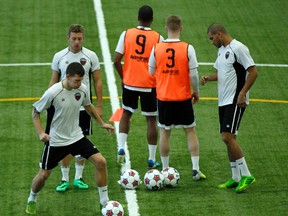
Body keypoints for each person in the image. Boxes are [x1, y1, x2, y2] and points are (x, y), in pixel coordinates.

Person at [25, 62, 114, 215]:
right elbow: (35, 112)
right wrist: (41, 133)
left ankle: (104, 202)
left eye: (81, 80)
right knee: (44, 174)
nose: (80, 84)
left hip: (76, 137)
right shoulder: (53, 92)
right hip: (56, 141)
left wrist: (102, 123)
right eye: (76, 81)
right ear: (67, 77)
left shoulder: (81, 89)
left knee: (101, 162)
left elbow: (88, 105)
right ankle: (32, 199)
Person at [148, 15, 206, 181]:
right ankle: (195, 169)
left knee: (165, 132)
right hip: (183, 97)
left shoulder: (156, 48)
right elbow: (194, 74)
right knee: (190, 131)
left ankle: (165, 170)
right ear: (181, 28)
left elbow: (151, 71)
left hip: (164, 97)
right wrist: (196, 91)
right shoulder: (188, 48)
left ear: (166, 28)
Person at [201, 23, 258, 192]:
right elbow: (221, 72)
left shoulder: (238, 48)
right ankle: (235, 177)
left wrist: (242, 93)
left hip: (235, 100)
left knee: (227, 137)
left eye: (212, 38)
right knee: (228, 137)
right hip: (224, 101)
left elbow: (253, 72)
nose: (211, 42)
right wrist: (208, 78)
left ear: (219, 34)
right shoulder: (222, 50)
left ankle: (247, 175)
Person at [48, 24, 103, 192]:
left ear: (83, 38)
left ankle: (79, 177)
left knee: (82, 140)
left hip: (82, 107)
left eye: (79, 38)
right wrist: (49, 102)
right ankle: (64, 178)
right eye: (74, 39)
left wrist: (99, 105)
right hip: (63, 108)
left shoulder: (91, 56)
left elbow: (98, 81)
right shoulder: (59, 56)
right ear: (68, 38)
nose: (77, 42)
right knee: (64, 142)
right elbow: (54, 80)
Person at [113, 5, 164, 167]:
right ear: (152, 19)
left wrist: (124, 77)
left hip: (130, 83)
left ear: (138, 18)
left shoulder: (127, 34)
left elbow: (116, 60)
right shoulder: (158, 38)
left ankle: (121, 148)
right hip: (149, 85)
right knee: (150, 120)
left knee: (126, 114)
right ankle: (151, 158)